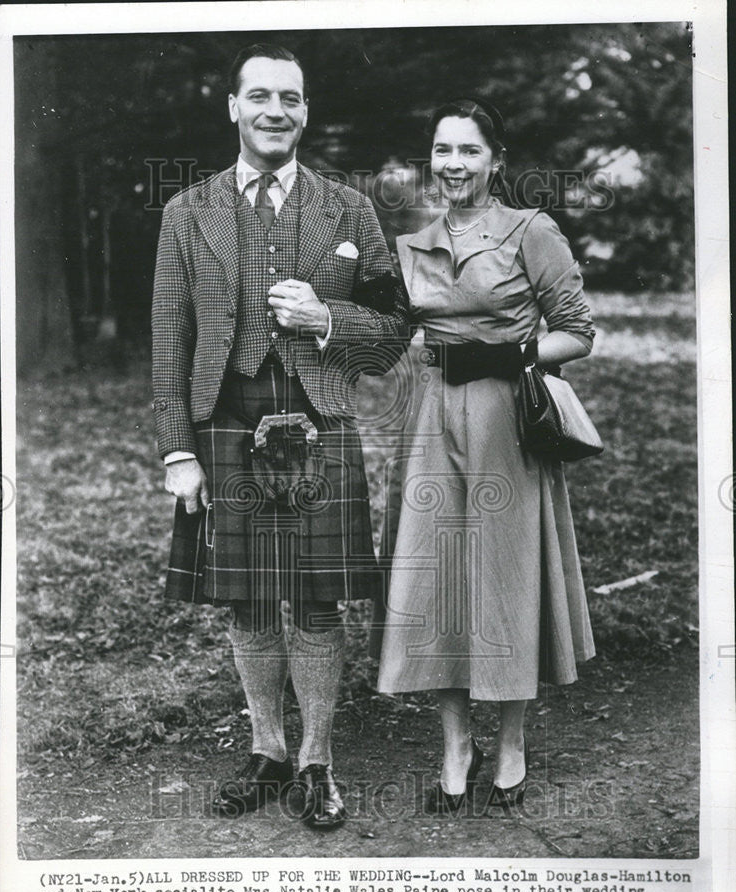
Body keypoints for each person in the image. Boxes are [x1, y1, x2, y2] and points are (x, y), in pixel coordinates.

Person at [152, 43, 406, 829]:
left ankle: (315, 761)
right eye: (258, 96)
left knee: (319, 604)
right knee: (248, 602)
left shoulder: (349, 210)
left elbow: (395, 331)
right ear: (233, 108)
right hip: (224, 418)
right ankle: (266, 749)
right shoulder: (186, 212)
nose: (274, 111)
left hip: (319, 419)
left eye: (289, 99)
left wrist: (330, 319)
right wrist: (177, 450)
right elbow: (169, 337)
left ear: (305, 112)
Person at [376, 99, 596, 813]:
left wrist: (509, 353)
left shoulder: (530, 232)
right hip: (431, 420)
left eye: (469, 151)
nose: (453, 165)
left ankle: (509, 740)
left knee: (503, 575)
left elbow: (578, 331)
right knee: (440, 577)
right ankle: (453, 744)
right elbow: (383, 333)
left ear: (495, 160)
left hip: (506, 417)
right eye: (442, 150)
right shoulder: (413, 243)